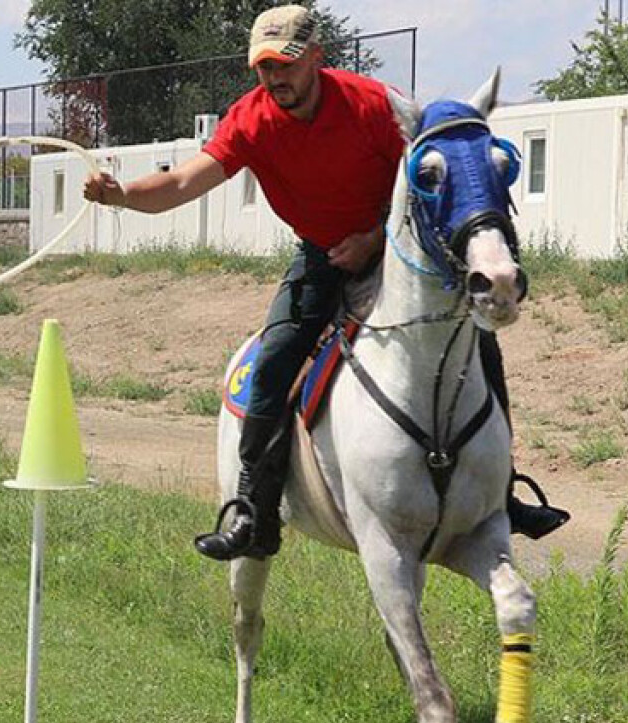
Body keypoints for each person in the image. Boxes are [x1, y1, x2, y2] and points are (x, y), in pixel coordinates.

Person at [83, 4, 567, 561]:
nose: (273, 79)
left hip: (394, 254)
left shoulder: (370, 105)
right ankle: (254, 513)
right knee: (273, 361)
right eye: (262, 67)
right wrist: (121, 196)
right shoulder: (250, 119)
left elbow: (422, 189)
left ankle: (501, 493)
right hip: (319, 260)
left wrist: (373, 240)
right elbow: (186, 182)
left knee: (478, 343)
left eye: (285, 65)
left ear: (316, 56)